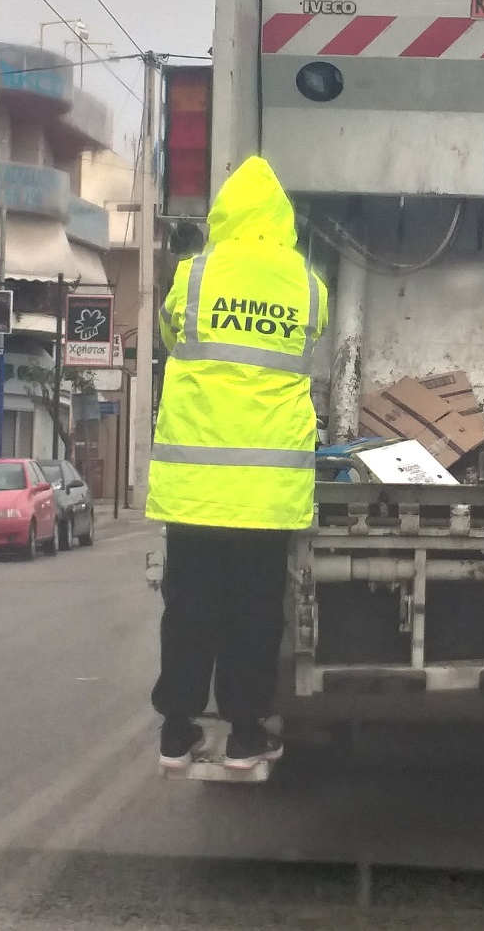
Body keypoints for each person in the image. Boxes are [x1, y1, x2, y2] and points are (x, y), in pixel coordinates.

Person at [147, 156, 327, 772]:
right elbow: (313, 340)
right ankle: (247, 736)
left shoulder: (193, 276)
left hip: (195, 485)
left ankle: (177, 732)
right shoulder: (305, 284)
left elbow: (174, 338)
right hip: (266, 491)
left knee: (191, 606)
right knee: (254, 612)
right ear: (281, 219)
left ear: (224, 213)